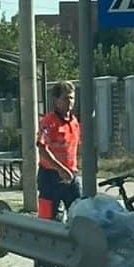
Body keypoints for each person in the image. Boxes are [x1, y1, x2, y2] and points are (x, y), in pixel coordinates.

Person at [36, 81, 82, 222]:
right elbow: (42, 148)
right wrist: (60, 169)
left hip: (70, 176)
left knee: (79, 215)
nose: (70, 102)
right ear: (56, 100)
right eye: (65, 98)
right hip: (50, 177)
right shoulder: (48, 121)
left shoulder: (74, 122)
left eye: (72, 98)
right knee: (48, 219)